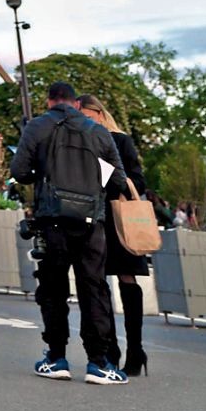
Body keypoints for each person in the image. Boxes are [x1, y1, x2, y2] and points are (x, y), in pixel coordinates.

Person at [11, 82, 128, 385]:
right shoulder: (98, 131)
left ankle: (56, 357)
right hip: (90, 223)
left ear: (49, 102)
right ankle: (98, 362)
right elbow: (118, 182)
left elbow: (20, 172)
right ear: (76, 103)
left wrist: (44, 171)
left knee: (53, 290)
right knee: (94, 289)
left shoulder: (37, 127)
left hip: (52, 221)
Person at [78, 94, 150, 376]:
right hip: (94, 218)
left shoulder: (120, 141)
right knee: (98, 282)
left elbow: (138, 181)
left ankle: (136, 348)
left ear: (99, 113)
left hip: (120, 217)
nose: (84, 122)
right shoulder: (81, 143)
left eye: (87, 116)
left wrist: (108, 173)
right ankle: (110, 348)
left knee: (126, 278)